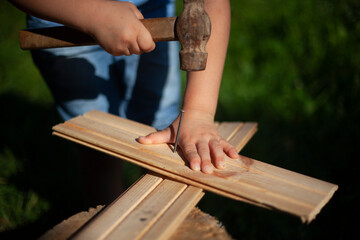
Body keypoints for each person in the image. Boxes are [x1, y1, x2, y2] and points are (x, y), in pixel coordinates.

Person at [10, 0, 238, 205]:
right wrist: (93, 14)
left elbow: (211, 4)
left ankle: (157, 216)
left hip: (152, 10)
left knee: (162, 134)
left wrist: (198, 112)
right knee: (98, 140)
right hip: (63, 16)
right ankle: (108, 216)